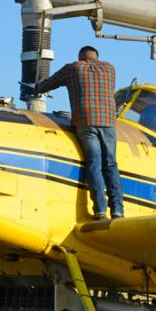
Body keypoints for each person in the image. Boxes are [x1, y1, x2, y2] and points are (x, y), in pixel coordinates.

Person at [32, 46, 124, 220]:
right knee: (110, 164)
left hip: (86, 122)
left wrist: (36, 88)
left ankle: (100, 210)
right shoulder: (110, 68)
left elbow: (48, 84)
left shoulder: (73, 68)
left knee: (94, 163)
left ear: (80, 57)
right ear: (96, 56)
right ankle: (118, 210)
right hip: (108, 122)